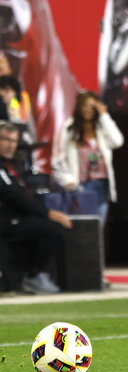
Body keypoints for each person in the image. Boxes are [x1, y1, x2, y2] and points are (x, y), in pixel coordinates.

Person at [0, 122, 72, 294]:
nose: (11, 145)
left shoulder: (11, 165)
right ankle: (32, 275)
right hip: (5, 220)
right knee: (53, 229)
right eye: (5, 140)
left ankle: (30, 273)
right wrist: (47, 213)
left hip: (13, 218)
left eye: (14, 141)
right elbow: (14, 194)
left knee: (47, 228)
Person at [52, 91, 124, 228]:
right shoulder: (69, 128)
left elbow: (118, 141)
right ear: (79, 107)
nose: (88, 110)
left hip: (102, 185)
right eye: (85, 105)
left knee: (98, 228)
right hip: (81, 186)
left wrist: (104, 115)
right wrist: (67, 180)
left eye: (92, 106)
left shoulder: (101, 128)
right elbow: (58, 158)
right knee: (82, 229)